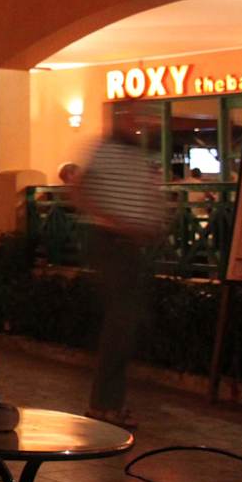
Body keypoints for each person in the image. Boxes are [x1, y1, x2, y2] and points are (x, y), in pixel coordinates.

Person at [72, 121, 168, 430]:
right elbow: (79, 189)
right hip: (114, 243)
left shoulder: (135, 156)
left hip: (129, 245)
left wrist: (151, 221)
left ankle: (107, 402)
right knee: (121, 325)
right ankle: (104, 404)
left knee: (125, 325)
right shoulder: (107, 150)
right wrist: (114, 222)